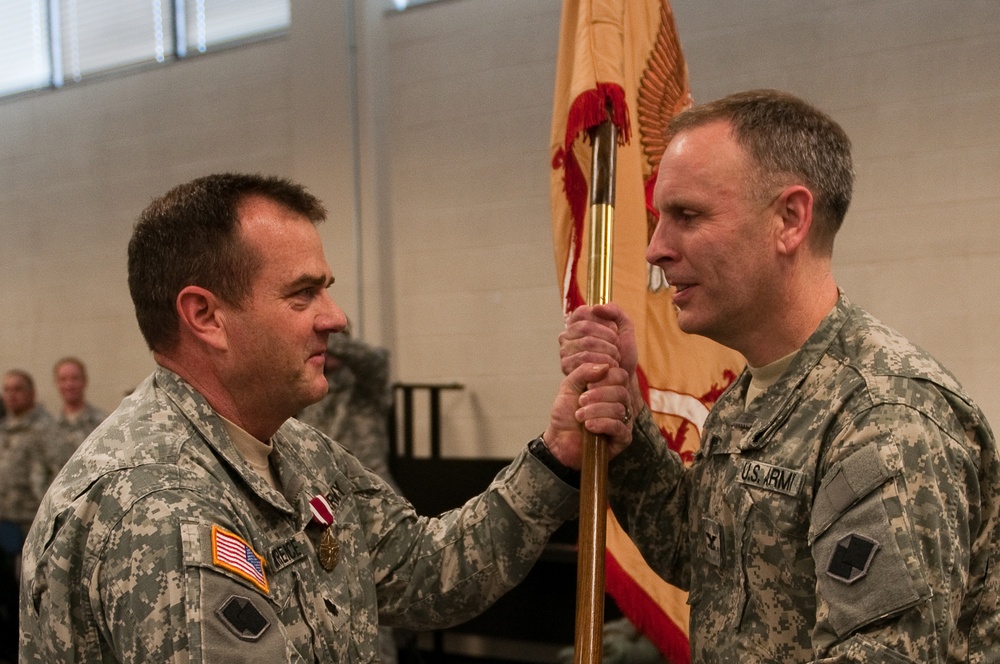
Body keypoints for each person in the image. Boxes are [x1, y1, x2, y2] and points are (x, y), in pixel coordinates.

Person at [19, 173, 631, 663]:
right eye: (302, 294)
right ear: (205, 316)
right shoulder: (160, 505)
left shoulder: (296, 451)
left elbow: (426, 571)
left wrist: (556, 457)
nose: (334, 317)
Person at [555, 90, 1000, 661]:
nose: (655, 250)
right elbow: (705, 561)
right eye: (658, 218)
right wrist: (629, 426)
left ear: (790, 219)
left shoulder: (883, 418)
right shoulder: (753, 396)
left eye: (687, 216)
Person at [297, 328, 401, 662]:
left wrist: (318, 334)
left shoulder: (364, 388)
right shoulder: (306, 392)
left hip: (370, 506)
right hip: (321, 513)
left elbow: (375, 360)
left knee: (373, 610)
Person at [0, 370, 53, 536]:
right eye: (7, 390)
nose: (11, 395)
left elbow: (56, 473)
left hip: (30, 521)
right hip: (4, 519)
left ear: (32, 393)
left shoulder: (47, 428)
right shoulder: (3, 428)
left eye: (17, 389)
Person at [49, 357, 109, 472]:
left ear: (84, 381)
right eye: (63, 379)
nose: (69, 385)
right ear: (56, 383)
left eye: (75, 378)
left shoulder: (102, 423)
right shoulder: (49, 427)